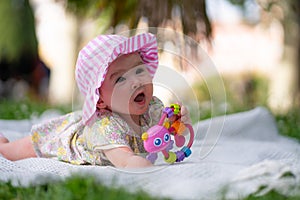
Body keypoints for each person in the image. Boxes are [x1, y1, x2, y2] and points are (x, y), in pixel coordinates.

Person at [0, 33, 191, 168]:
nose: (136, 81)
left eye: (139, 70)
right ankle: (5, 146)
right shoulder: (104, 127)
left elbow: (172, 135)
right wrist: (142, 165)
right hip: (70, 139)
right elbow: (124, 160)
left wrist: (180, 123)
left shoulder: (154, 106)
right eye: (120, 79)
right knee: (35, 144)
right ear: (99, 101)